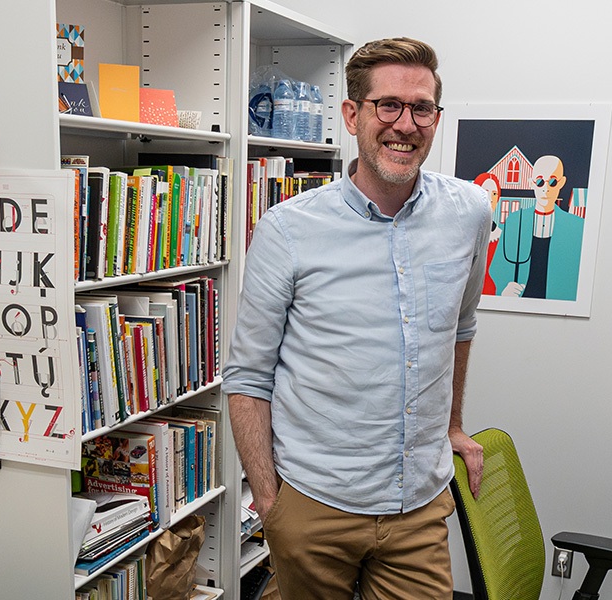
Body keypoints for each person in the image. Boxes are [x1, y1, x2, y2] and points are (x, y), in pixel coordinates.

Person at [223, 37, 490, 600]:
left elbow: (459, 330)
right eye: (387, 105)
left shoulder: (469, 213)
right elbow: (247, 379)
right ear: (352, 115)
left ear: (436, 118)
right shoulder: (287, 228)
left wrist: (453, 425)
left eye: (422, 108)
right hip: (314, 504)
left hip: (418, 508)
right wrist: (271, 503)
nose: (406, 124)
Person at [488, 154, 584, 300]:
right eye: (540, 181)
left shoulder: (576, 227)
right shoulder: (515, 221)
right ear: (531, 182)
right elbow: (497, 267)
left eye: (552, 182)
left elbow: (579, 273)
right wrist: (504, 289)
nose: (545, 188)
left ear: (561, 183)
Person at [474, 172, 502, 296]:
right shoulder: (462, 232)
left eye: (494, 194)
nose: (490, 198)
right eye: (485, 191)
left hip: (492, 292)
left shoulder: (501, 235)